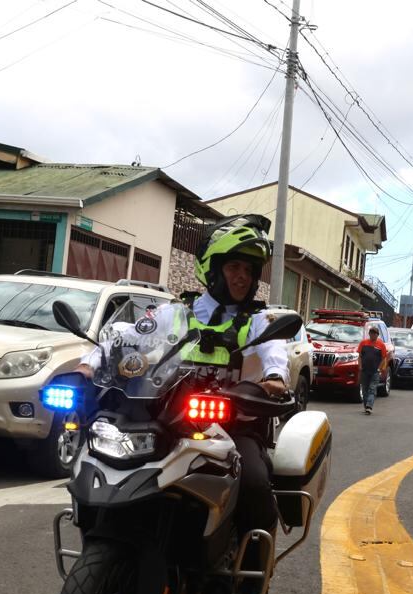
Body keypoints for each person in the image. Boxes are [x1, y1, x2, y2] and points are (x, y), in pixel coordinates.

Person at [76, 214, 288, 544]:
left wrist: (274, 378)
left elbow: (275, 352)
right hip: (171, 420)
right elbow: (126, 338)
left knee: (255, 482)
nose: (243, 277)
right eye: (234, 267)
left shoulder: (258, 321)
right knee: (104, 458)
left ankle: (255, 562)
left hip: (234, 426)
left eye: (249, 271)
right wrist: (90, 366)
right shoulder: (176, 313)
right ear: (213, 268)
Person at [356, 326, 387, 414]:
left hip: (375, 371)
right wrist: (360, 366)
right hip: (364, 370)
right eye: (371, 333)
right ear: (369, 334)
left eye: (375, 334)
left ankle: (369, 406)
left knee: (372, 389)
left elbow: (383, 358)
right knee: (365, 390)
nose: (373, 335)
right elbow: (360, 356)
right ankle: (366, 407)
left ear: (377, 335)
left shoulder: (381, 345)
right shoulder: (363, 343)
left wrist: (379, 368)